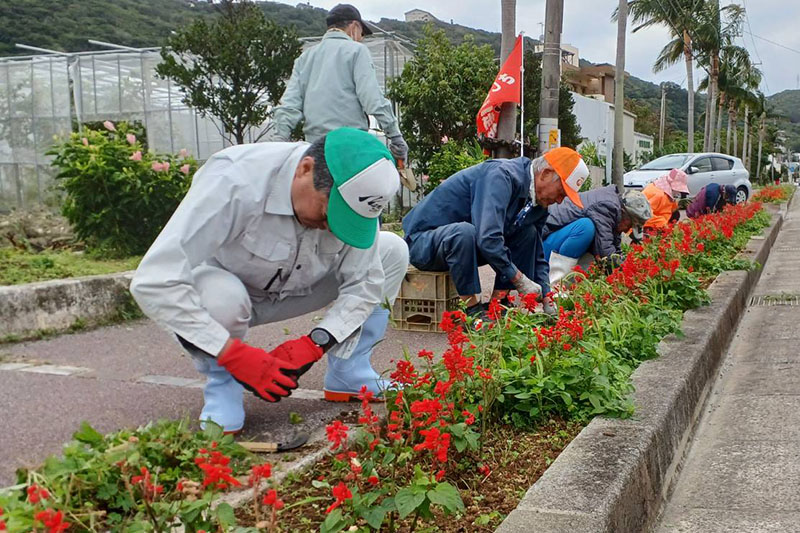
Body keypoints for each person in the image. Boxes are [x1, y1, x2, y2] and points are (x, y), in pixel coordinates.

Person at [130, 128, 409, 434]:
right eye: (328, 214)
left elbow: (366, 283)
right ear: (305, 169)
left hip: (301, 288)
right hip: (232, 294)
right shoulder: (234, 179)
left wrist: (318, 341)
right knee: (221, 298)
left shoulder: (355, 197)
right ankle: (224, 383)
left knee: (391, 251)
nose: (330, 228)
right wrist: (231, 354)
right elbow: (154, 279)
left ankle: (349, 370)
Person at [401, 147, 588, 316]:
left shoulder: (539, 204)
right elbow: (488, 238)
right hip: (423, 242)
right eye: (562, 192)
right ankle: (472, 310)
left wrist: (547, 295)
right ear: (545, 174)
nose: (560, 201)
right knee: (465, 232)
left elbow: (537, 252)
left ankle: (497, 305)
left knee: (528, 233)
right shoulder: (501, 176)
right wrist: (519, 279)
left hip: (462, 247)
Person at [267, 4, 408, 166]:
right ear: (354, 26)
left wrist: (278, 141)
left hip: (315, 151)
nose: (361, 38)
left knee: (323, 190)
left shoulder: (305, 58)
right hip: (349, 148)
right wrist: (395, 137)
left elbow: (288, 106)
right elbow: (372, 100)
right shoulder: (357, 51)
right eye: (362, 33)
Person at [542, 187, 652, 284]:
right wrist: (628, 275)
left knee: (593, 242)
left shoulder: (615, 211)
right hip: (541, 247)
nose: (627, 230)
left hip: (552, 241)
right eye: (630, 225)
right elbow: (606, 252)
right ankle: (555, 284)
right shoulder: (606, 207)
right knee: (586, 227)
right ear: (625, 214)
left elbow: (614, 249)